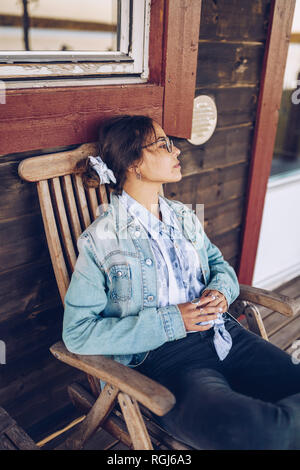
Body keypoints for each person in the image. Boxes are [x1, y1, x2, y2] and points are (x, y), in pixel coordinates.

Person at [62, 114, 300, 450]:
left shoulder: (183, 216)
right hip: (168, 362)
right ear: (134, 163)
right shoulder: (102, 240)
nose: (177, 152)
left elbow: (219, 264)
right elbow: (77, 333)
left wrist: (221, 290)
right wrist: (171, 320)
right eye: (163, 145)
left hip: (225, 335)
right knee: (265, 433)